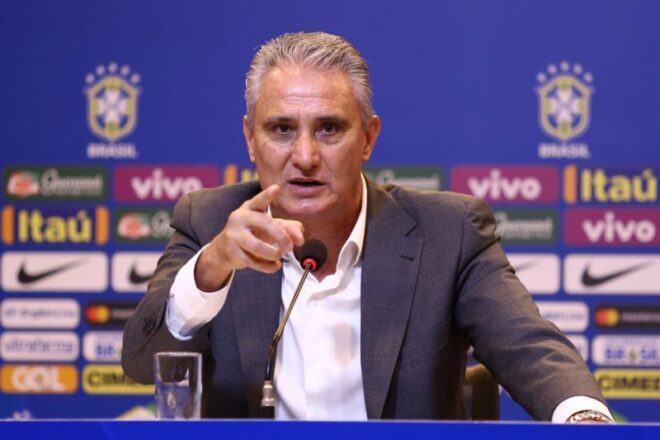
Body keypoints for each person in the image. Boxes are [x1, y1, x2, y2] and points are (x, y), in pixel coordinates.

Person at [122, 32, 612, 422]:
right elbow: (142, 363)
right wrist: (210, 269)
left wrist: (584, 417)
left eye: (329, 128)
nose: (305, 156)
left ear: (369, 138)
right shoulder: (208, 222)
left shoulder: (449, 233)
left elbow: (528, 345)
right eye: (282, 129)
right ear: (251, 139)